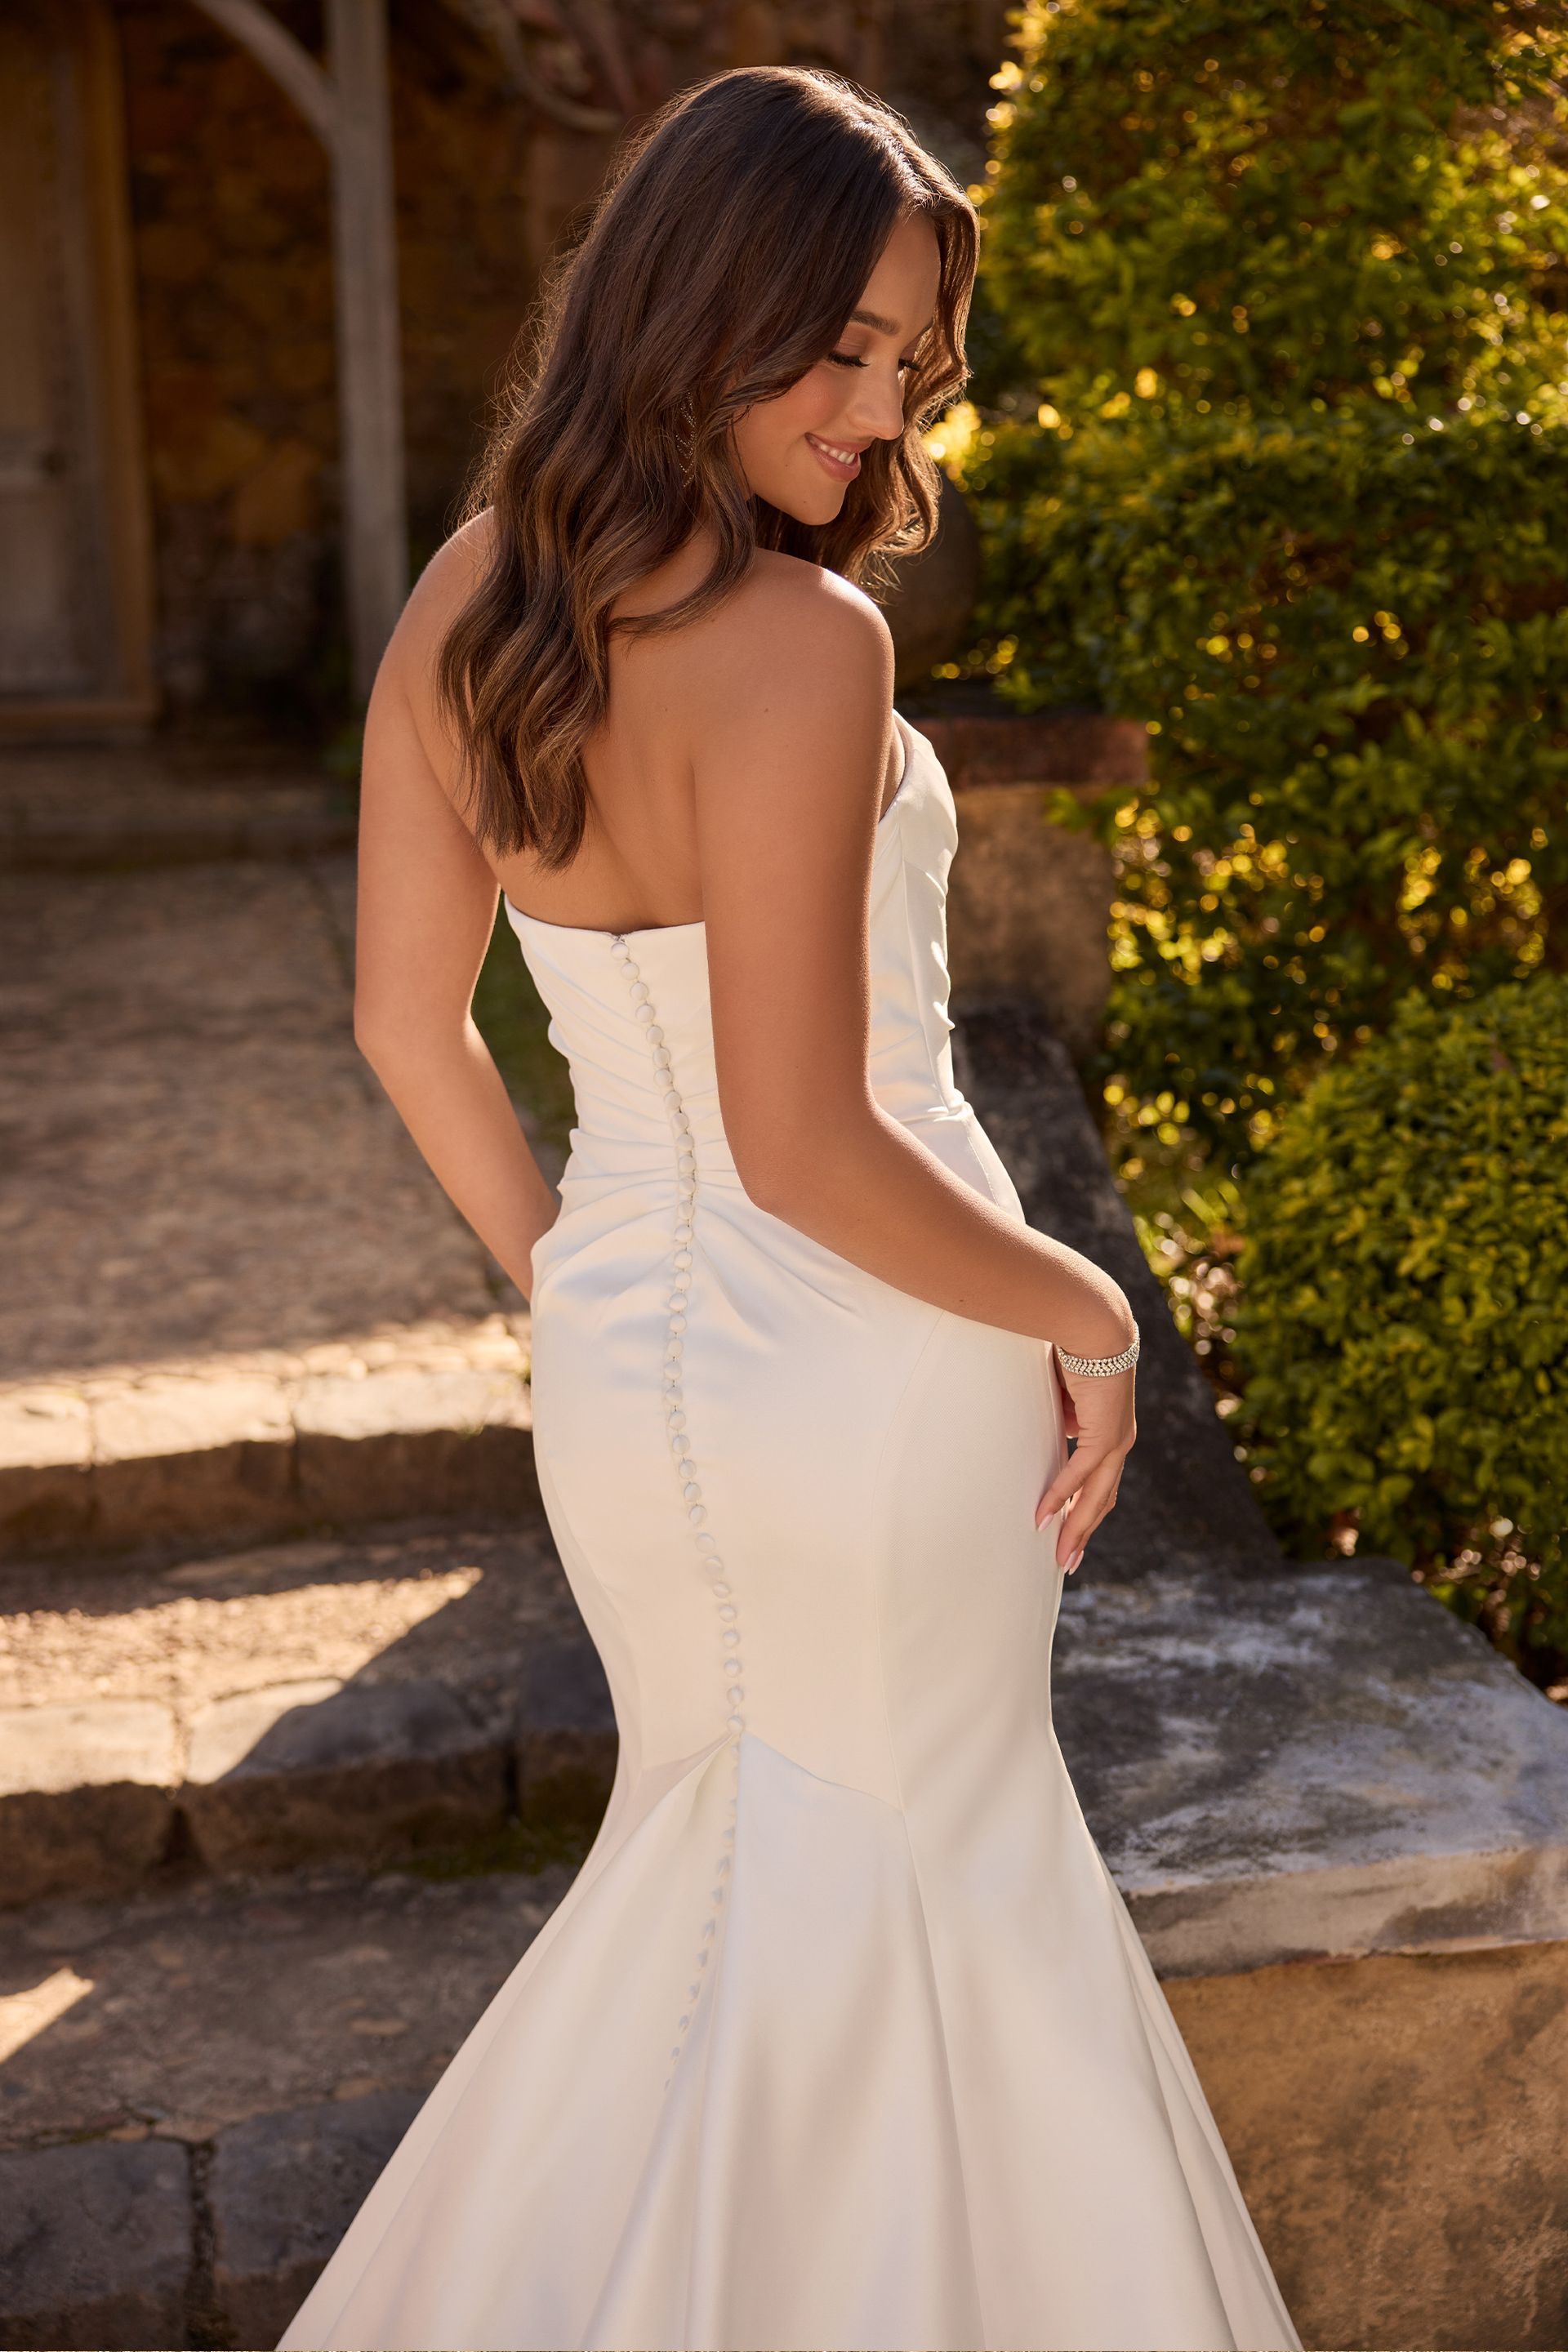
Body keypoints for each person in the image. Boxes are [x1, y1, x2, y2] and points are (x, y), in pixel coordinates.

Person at [276, 64, 1301, 2352]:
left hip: (635, 1395)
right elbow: (807, 1140)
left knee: (717, 1884)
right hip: (871, 1372)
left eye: (909, 367)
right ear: (698, 298)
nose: (876, 406)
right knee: (912, 1890)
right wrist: (1092, 1309)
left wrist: (584, 1280)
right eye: (837, 345)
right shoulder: (805, 647)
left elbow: (407, 1025)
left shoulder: (473, 597)